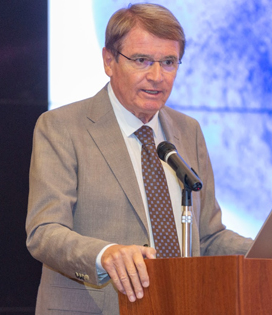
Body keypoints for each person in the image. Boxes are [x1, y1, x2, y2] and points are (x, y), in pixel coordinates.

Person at [26, 3, 253, 314]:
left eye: (169, 62)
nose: (157, 76)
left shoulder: (188, 131)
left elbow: (207, 237)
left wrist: (270, 251)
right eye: (142, 60)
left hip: (180, 304)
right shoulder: (62, 127)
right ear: (109, 61)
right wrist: (105, 254)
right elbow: (44, 232)